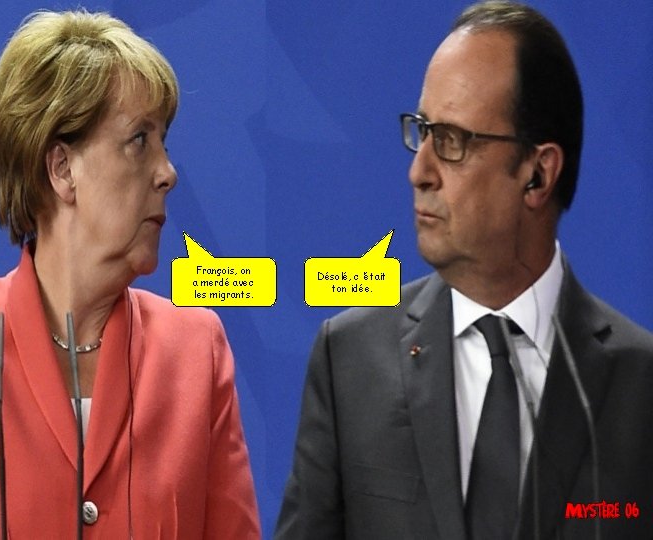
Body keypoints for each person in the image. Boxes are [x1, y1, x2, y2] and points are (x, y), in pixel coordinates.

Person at [275, 1, 653, 539]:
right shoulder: (350, 360)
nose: (419, 171)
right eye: (422, 131)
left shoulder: (640, 385)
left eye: (451, 141)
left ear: (537, 174)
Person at [0, 10, 260, 538]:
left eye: (164, 142)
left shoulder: (197, 351)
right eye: (139, 140)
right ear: (62, 169)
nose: (168, 173)